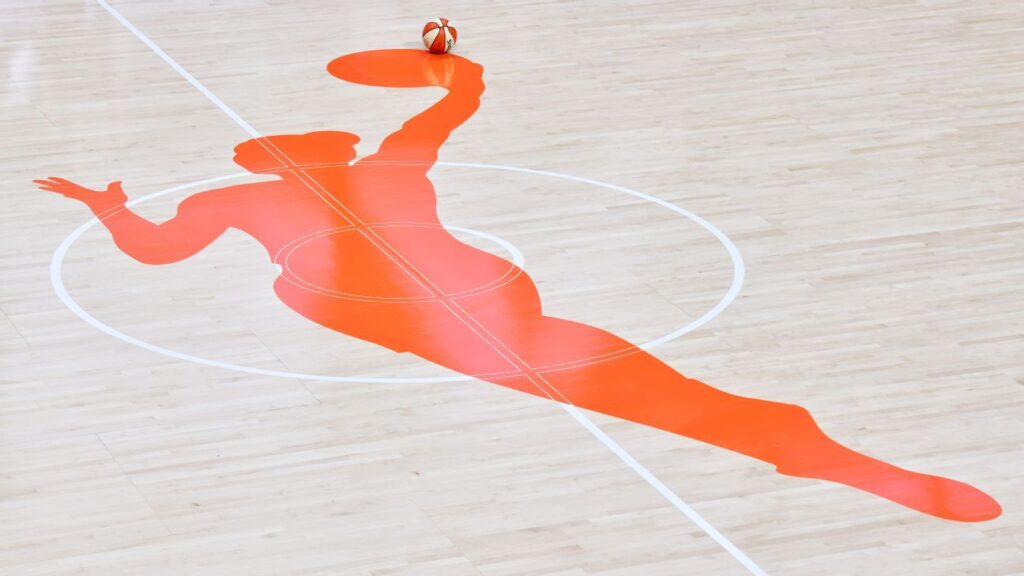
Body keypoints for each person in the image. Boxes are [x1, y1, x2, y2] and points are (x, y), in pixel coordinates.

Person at [35, 49, 999, 522]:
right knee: (617, 376)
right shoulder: (389, 168)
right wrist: (445, 64)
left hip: (439, 313)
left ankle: (785, 436)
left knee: (618, 384)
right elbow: (466, 97)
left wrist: (102, 206)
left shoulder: (247, 196)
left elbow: (152, 253)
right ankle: (785, 435)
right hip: (478, 300)